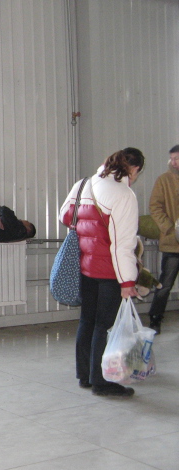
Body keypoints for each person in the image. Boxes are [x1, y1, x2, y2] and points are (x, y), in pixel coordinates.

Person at [60, 147, 145, 397]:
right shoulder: (124, 194)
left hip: (86, 266)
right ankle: (101, 382)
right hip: (109, 271)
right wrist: (127, 281)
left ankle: (85, 375)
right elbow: (123, 245)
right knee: (104, 325)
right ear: (134, 169)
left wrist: (90, 230)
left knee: (87, 320)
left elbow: (65, 216)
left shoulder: (83, 184)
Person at [147, 144, 179, 334]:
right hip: (172, 243)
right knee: (165, 284)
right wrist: (169, 228)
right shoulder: (164, 180)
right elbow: (155, 206)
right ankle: (155, 318)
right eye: (172, 158)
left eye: (177, 158)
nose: (173, 162)